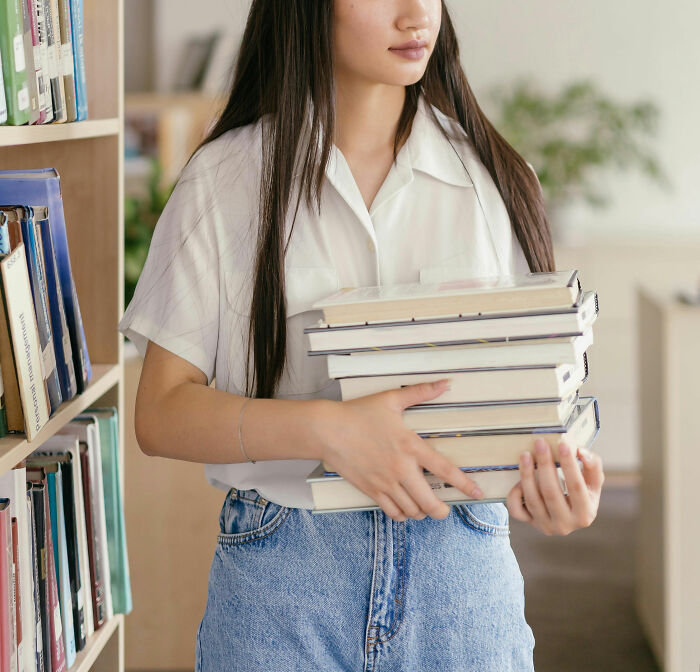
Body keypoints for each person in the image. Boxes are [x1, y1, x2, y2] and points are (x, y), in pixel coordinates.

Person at [118, 1, 605, 670]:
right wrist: (328, 429)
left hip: (462, 580)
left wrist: (558, 489)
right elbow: (160, 413)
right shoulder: (226, 180)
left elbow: (532, 412)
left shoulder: (494, 180)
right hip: (282, 581)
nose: (416, 15)